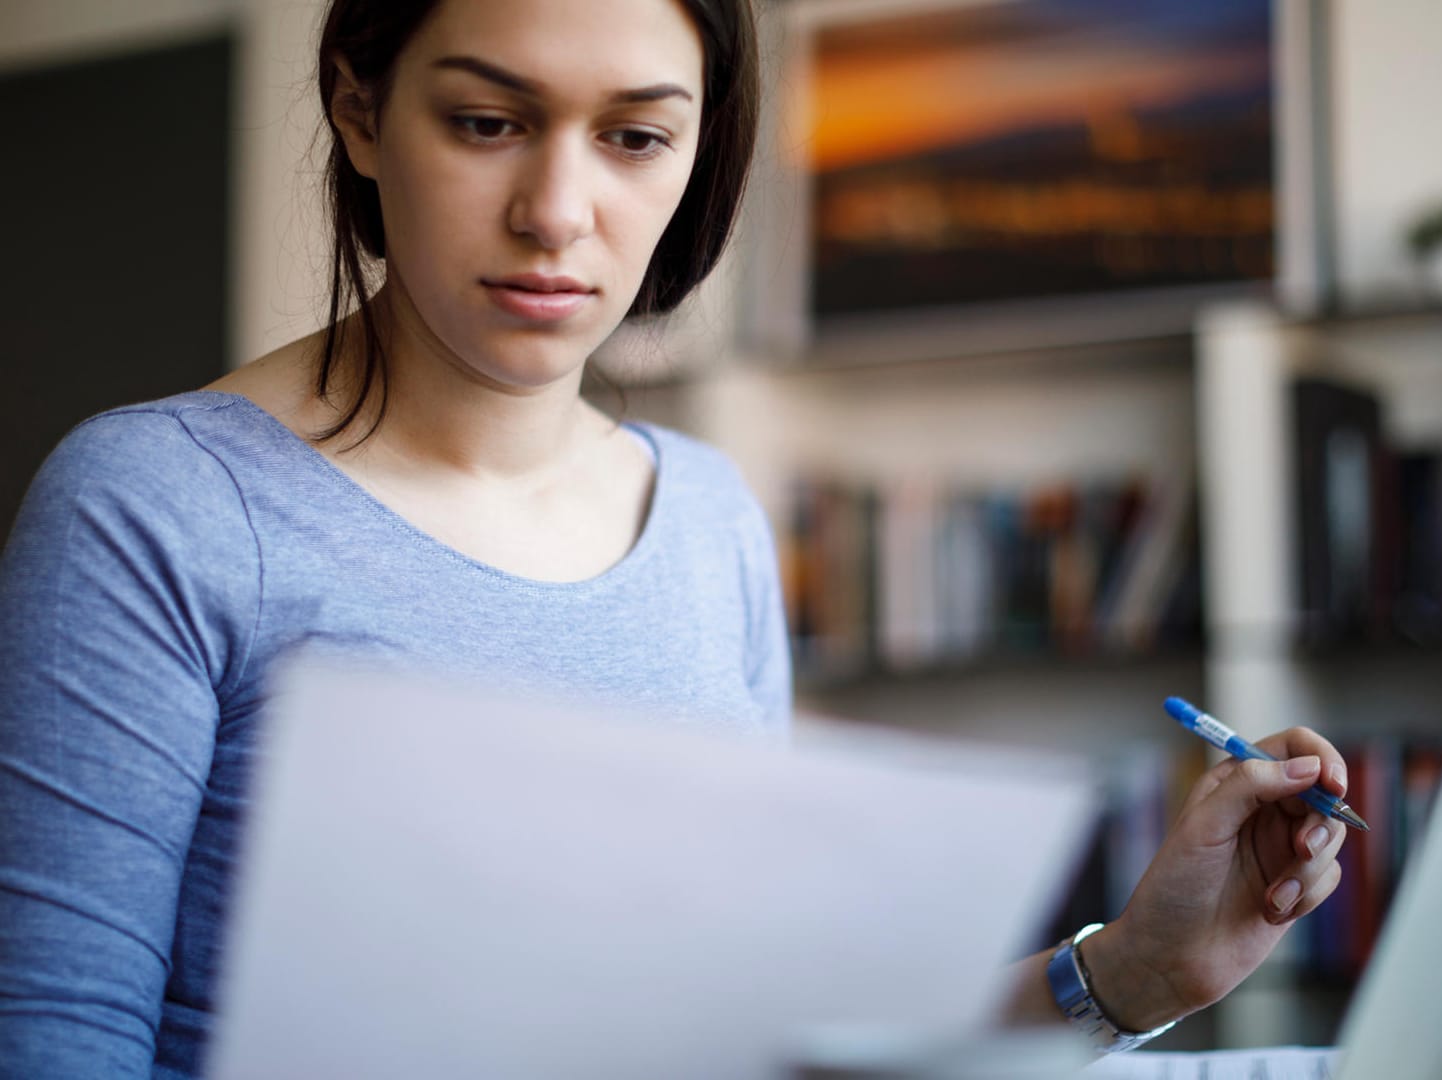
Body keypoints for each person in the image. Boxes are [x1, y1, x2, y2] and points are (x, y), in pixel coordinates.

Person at [0, 0, 1350, 1074]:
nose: (558, 213)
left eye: (636, 138)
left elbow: (765, 1047)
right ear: (360, 108)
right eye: (485, 120)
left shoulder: (704, 517)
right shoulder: (156, 509)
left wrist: (1130, 975)